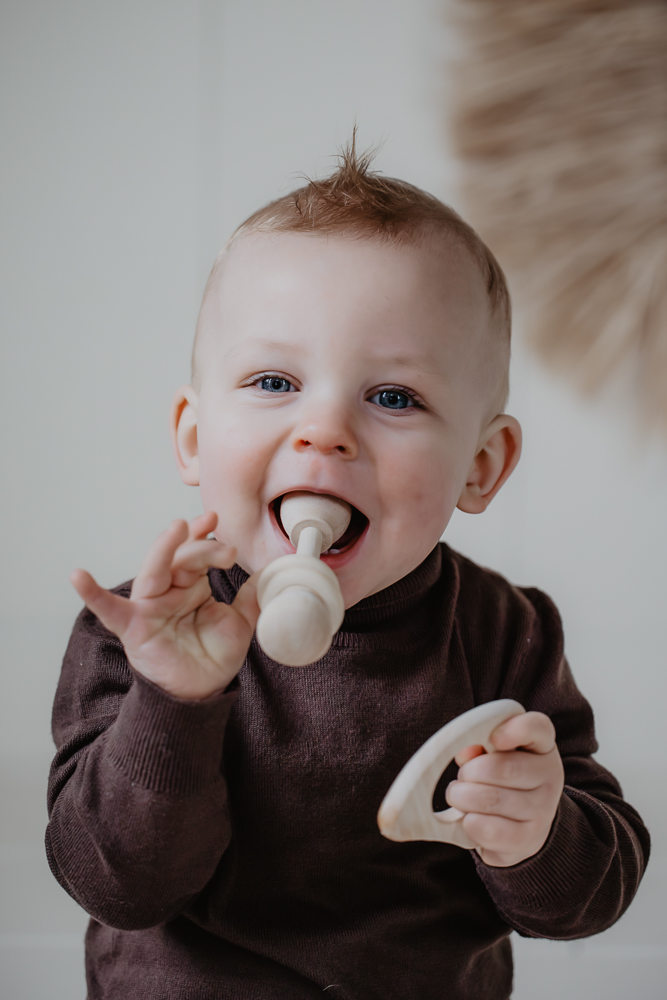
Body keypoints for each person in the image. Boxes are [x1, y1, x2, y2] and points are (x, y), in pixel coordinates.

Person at [46, 141, 649, 1000]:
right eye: (272, 380)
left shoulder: (503, 632)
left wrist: (538, 831)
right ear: (191, 438)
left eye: (393, 397)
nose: (322, 430)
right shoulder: (142, 636)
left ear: (480, 466)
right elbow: (118, 886)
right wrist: (172, 706)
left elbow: (588, 900)